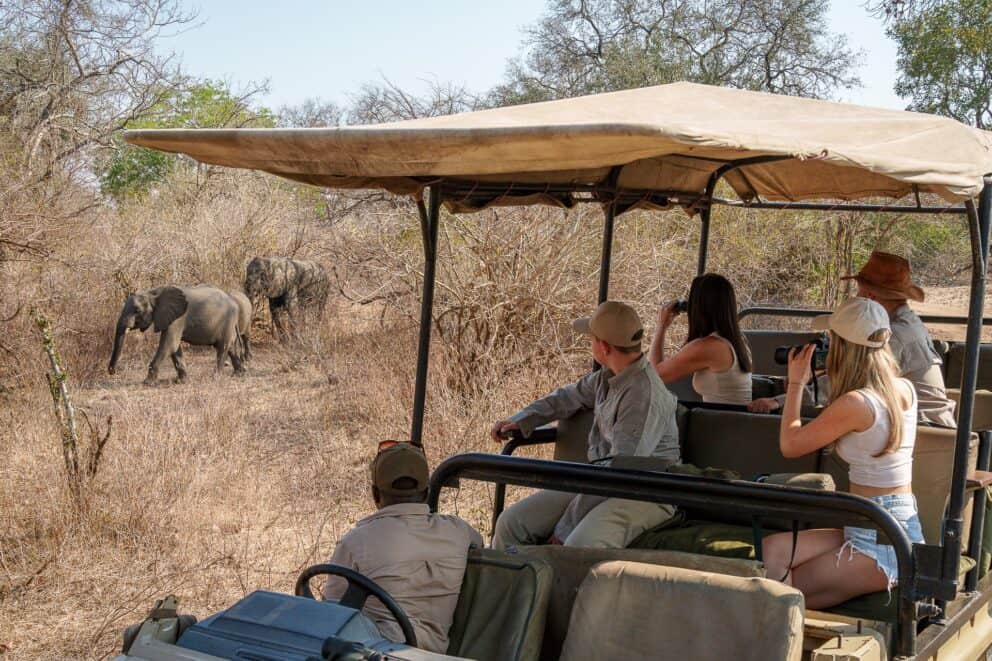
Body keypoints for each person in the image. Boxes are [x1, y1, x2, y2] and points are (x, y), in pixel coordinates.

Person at [762, 297, 924, 609]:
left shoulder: (857, 404)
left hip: (884, 537)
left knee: (782, 597)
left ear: (842, 347)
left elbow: (791, 445)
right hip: (876, 521)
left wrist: (796, 384)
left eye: (831, 340)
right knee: (775, 549)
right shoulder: (903, 389)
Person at [490, 300, 680, 550]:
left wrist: (564, 528)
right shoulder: (607, 376)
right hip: (599, 480)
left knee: (579, 543)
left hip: (645, 492)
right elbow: (567, 397)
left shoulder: (643, 394)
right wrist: (522, 420)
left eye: (590, 339)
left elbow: (622, 471)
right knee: (511, 524)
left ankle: (560, 588)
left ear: (603, 346)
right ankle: (509, 587)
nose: (590, 344)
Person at [749, 251, 955, 427]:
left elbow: (850, 381)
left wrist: (780, 401)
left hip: (925, 427)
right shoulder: (898, 323)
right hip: (912, 422)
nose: (857, 295)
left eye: (859, 289)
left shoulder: (891, 335)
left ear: (871, 296)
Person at [322, 441, 483, 654]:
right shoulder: (460, 531)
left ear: (375, 494)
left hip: (376, 651)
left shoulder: (356, 541)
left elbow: (331, 613)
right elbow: (479, 547)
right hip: (433, 655)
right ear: (426, 492)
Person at [650, 273, 753, 405]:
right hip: (734, 419)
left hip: (722, 422)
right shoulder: (736, 339)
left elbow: (654, 375)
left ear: (698, 307)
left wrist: (661, 326)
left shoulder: (710, 346)